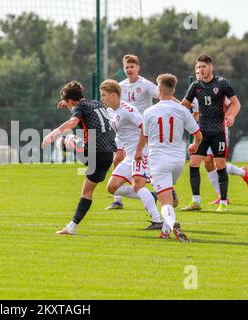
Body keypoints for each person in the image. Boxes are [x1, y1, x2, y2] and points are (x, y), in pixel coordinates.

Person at [135, 74, 202, 242]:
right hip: (178, 161)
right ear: (173, 90)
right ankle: (165, 232)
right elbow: (198, 135)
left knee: (164, 201)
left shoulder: (149, 112)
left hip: (159, 161)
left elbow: (145, 137)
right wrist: (194, 146)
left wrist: (138, 152)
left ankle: (173, 225)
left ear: (158, 90)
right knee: (169, 196)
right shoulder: (182, 109)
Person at [106, 54, 179, 210]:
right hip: (125, 129)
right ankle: (118, 199)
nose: (129, 69)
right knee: (117, 159)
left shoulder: (146, 85)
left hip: (143, 130)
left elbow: (164, 95)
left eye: (132, 66)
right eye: (126, 67)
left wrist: (181, 106)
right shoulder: (121, 86)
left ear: (138, 68)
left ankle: (166, 189)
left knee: (147, 166)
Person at [43, 81, 116, 235]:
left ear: (70, 101)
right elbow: (83, 110)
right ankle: (72, 227)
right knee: (87, 192)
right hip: (108, 156)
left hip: (93, 154)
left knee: (67, 138)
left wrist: (52, 134)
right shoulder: (96, 103)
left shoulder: (78, 107)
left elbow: (73, 121)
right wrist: (68, 103)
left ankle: (67, 144)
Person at [180, 55, 241, 212]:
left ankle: (223, 203)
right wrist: (188, 115)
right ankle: (196, 202)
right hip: (201, 133)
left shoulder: (222, 83)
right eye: (199, 67)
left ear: (211, 67)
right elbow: (183, 106)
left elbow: (235, 103)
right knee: (193, 164)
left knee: (220, 166)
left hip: (218, 132)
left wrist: (231, 116)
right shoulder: (195, 86)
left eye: (204, 67)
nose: (201, 70)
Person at [101, 80, 163, 230]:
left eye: (104, 95)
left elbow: (145, 128)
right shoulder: (111, 111)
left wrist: (139, 150)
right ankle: (151, 196)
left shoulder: (127, 110)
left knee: (138, 185)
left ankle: (157, 220)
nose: (102, 98)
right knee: (112, 187)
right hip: (129, 156)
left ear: (114, 95)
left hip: (140, 154)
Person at [191, 68, 248, 204]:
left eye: (201, 72)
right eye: (197, 73)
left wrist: (230, 116)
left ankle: (242, 173)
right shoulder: (195, 93)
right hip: (204, 132)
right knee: (208, 162)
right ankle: (222, 195)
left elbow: (232, 103)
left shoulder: (217, 90)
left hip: (219, 130)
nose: (200, 75)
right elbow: (196, 115)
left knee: (216, 163)